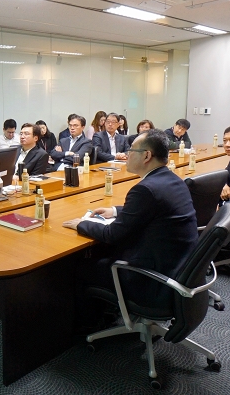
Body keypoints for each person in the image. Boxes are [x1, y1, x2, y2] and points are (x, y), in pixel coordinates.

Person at [62, 129, 197, 320]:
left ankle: (88, 325)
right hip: (176, 265)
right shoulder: (172, 180)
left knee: (80, 266)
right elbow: (151, 208)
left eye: (132, 150)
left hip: (150, 277)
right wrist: (116, 211)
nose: (127, 154)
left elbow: (112, 234)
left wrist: (81, 224)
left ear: (147, 156)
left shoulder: (145, 189)